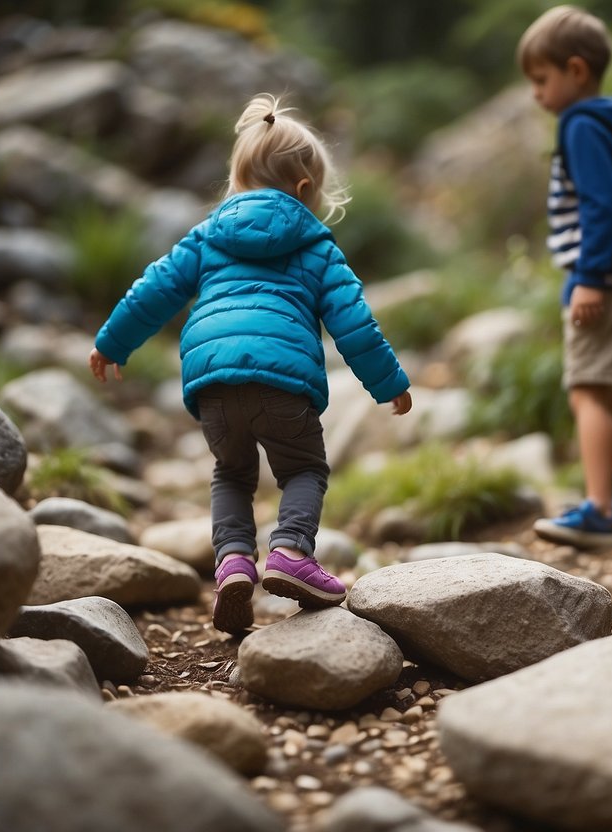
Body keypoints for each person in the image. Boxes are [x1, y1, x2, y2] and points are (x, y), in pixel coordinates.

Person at [89, 94, 413, 634]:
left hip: (212, 382)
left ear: (238, 181)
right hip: (284, 384)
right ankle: (290, 551)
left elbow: (156, 289)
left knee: (231, 473)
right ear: (306, 190)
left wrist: (111, 342)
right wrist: (389, 384)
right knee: (304, 468)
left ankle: (234, 563)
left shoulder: (207, 236)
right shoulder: (317, 245)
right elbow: (354, 323)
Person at [518, 6, 612, 547]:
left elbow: (603, 206)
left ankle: (600, 508)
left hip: (608, 274)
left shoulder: (580, 124)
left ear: (576, 71)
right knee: (609, 387)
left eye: (541, 79)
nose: (536, 93)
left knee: (586, 390)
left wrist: (589, 277)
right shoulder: (607, 120)